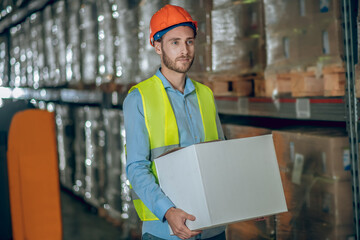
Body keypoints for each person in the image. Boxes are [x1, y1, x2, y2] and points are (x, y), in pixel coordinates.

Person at [123, 4, 226, 240]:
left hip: (213, 228)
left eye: (189, 41)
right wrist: (167, 211)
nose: (185, 50)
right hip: (165, 232)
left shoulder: (206, 95)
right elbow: (136, 168)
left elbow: (221, 157)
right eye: (175, 42)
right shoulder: (139, 98)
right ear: (157, 46)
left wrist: (247, 198)